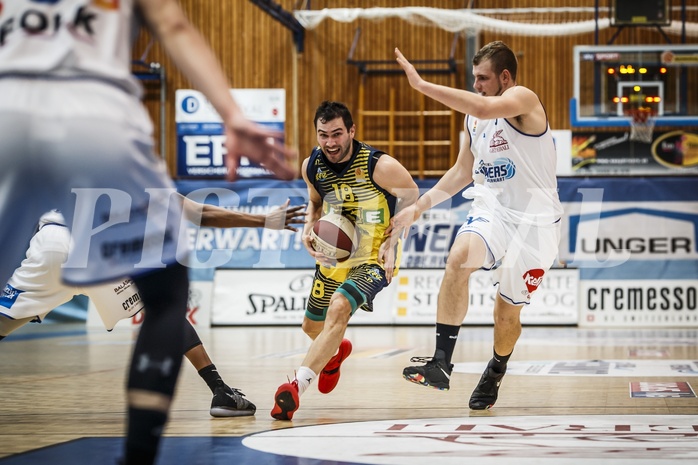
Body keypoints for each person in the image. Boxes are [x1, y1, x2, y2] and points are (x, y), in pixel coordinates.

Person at [0, 1, 296, 464]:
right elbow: (175, 25)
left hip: (40, 206)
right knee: (164, 300)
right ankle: (193, 412)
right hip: (100, 139)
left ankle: (220, 391)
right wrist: (232, 116)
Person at [0, 199, 305, 418]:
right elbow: (199, 213)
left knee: (5, 320)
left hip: (53, 240)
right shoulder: (132, 165)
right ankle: (221, 392)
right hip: (100, 249)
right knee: (165, 309)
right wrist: (264, 220)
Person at [391, 43, 563, 410]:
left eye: (483, 78)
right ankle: (441, 362)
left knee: (506, 315)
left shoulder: (523, 98)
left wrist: (421, 85)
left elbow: (484, 105)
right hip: (493, 210)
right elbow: (461, 172)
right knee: (459, 258)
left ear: (504, 77)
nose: (476, 86)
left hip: (536, 224)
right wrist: (419, 206)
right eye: (474, 79)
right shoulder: (473, 119)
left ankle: (497, 367)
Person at [270, 101, 419, 421]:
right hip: (335, 254)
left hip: (373, 256)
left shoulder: (378, 165)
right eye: (323, 135)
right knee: (311, 326)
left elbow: (411, 195)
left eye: (337, 134)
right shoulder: (312, 165)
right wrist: (308, 229)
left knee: (339, 307)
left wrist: (393, 242)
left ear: (351, 131)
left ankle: (295, 388)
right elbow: (314, 203)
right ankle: (335, 354)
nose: (330, 142)